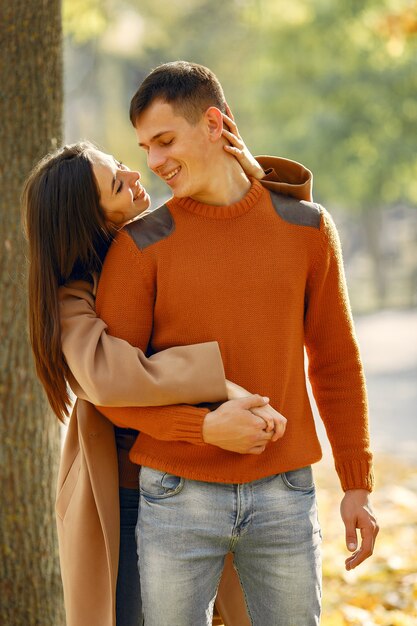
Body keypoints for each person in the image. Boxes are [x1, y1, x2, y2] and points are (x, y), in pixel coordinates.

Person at [90, 61, 379, 626]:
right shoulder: (140, 246)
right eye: (145, 147)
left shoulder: (307, 230)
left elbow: (336, 361)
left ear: (215, 124)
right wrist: (199, 428)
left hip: (285, 493)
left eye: (166, 140)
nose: (153, 162)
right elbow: (109, 387)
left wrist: (357, 484)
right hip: (174, 498)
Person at [23, 129, 293, 626]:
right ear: (90, 218)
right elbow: (106, 376)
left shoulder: (162, 240)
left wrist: (256, 181)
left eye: (121, 165)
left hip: (209, 472)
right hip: (128, 491)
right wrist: (217, 381)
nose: (134, 176)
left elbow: (277, 252)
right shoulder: (72, 298)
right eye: (117, 185)